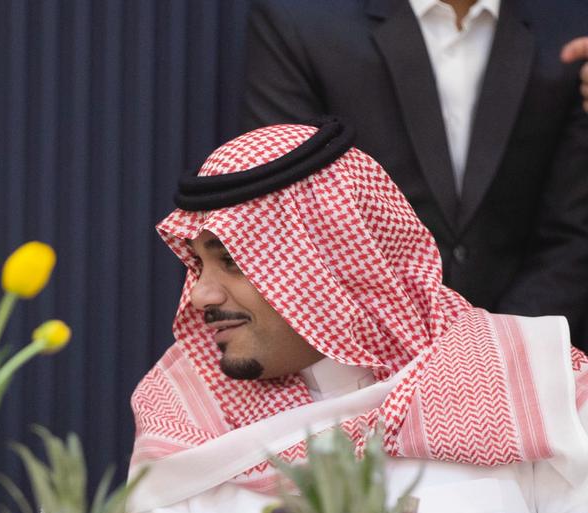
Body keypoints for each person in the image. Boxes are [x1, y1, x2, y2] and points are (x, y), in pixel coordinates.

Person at [114, 121, 588, 513]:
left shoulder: (526, 380)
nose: (200, 294)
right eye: (198, 264)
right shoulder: (185, 415)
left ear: (327, 262)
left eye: (232, 262)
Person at [241, 0, 588, 344]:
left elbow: (573, 229)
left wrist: (506, 346)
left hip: (531, 342)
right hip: (359, 347)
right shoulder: (300, 19)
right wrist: (395, 352)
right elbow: (286, 210)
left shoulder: (570, 24)